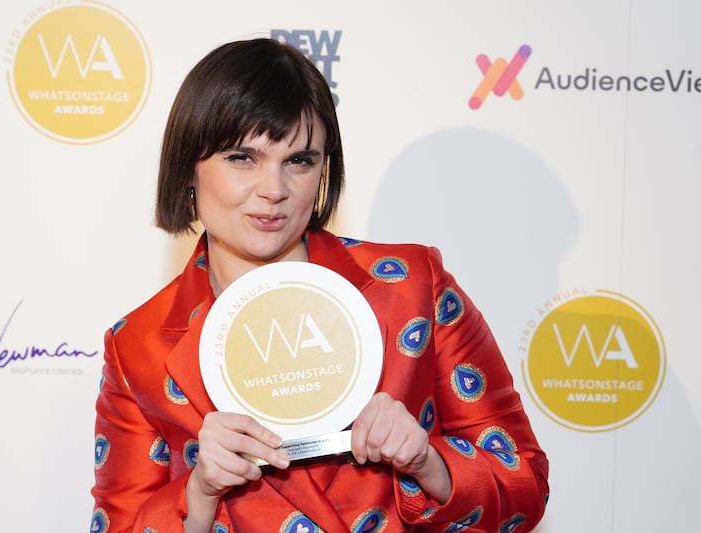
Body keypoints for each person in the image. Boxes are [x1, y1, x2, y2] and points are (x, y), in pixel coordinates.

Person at [90, 38, 549, 533]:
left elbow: (525, 485)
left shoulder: (413, 288)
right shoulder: (137, 346)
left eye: (300, 160)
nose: (274, 189)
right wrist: (199, 493)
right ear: (188, 170)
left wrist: (426, 463)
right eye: (242, 157)